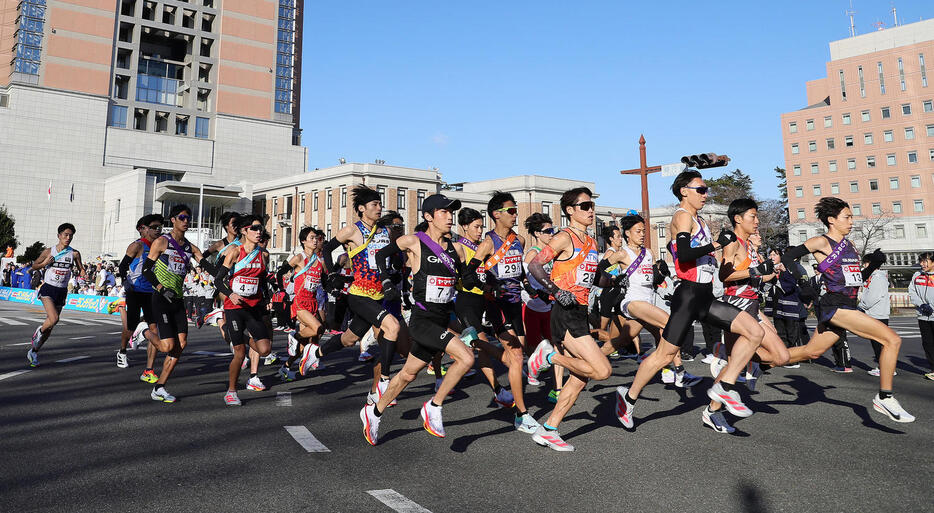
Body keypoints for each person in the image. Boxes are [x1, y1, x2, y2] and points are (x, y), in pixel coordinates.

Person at [614, 170, 765, 434]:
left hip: (705, 295)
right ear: (684, 191)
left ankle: (724, 386)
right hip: (689, 295)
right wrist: (716, 244)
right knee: (664, 355)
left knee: (755, 331)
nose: (706, 194)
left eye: (706, 189)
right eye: (701, 189)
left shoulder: (700, 220)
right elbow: (683, 254)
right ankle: (628, 398)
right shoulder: (682, 216)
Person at [781, 197, 914, 422]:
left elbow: (855, 280)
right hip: (835, 305)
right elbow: (788, 257)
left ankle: (758, 360)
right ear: (832, 220)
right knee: (892, 340)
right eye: (847, 217)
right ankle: (885, 396)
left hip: (847, 305)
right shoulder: (821, 242)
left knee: (810, 352)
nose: (852, 221)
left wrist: (873, 266)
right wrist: (804, 284)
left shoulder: (850, 245)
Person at [360, 194, 474, 444]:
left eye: (451, 212)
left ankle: (374, 412)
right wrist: (386, 280)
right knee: (466, 357)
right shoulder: (414, 241)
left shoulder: (456, 250)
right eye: (443, 212)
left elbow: (467, 283)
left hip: (442, 318)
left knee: (407, 375)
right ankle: (434, 406)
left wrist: (484, 280)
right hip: (422, 320)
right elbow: (381, 255)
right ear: (428, 216)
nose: (449, 216)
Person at [523, 187, 611, 451]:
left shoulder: (591, 242)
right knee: (602, 371)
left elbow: (594, 277)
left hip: (581, 311)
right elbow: (535, 265)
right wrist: (556, 291)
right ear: (570, 211)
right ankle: (548, 357)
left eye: (592, 205)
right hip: (565, 311)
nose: (591, 210)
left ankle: (549, 429)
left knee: (580, 378)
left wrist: (614, 280)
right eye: (584, 206)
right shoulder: (564, 237)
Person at [594, 214, 702, 390]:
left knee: (624, 340)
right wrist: (615, 278)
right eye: (638, 231)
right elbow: (601, 269)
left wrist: (665, 278)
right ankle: (680, 373)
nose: (642, 234)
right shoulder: (622, 253)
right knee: (669, 324)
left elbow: (654, 279)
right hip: (632, 302)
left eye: (643, 231)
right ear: (627, 233)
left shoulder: (649, 253)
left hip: (648, 301)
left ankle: (589, 363)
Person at [462, 191, 538, 433]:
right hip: (497, 306)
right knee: (515, 357)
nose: (515, 214)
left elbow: (520, 272)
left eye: (516, 210)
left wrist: (532, 290)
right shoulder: (488, 243)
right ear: (496, 215)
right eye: (511, 210)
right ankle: (521, 413)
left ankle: (476, 342)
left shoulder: (520, 240)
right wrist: (488, 288)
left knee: (520, 354)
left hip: (516, 305)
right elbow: (468, 275)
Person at [320, 186, 402, 403]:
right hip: (358, 294)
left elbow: (390, 259)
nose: (379, 208)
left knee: (349, 339)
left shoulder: (385, 231)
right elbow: (327, 249)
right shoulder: (352, 231)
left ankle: (316, 353)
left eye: (380, 204)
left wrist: (393, 269)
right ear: (361, 208)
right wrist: (331, 274)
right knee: (389, 330)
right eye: (374, 205)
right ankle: (383, 383)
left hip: (378, 295)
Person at [715, 199, 790, 399]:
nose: (757, 221)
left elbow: (756, 276)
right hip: (736, 305)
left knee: (780, 356)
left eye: (757, 216)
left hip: (753, 305)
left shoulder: (749, 245)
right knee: (736, 362)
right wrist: (756, 269)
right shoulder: (732, 243)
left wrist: (772, 272)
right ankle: (713, 409)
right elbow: (725, 276)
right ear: (738, 219)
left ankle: (739, 360)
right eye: (753, 216)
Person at [141, 204, 210, 403]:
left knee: (180, 346)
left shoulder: (190, 247)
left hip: (178, 300)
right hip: (162, 298)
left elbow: (207, 266)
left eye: (188, 218)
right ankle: (143, 331)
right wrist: (162, 288)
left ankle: (159, 387)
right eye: (182, 217)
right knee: (166, 346)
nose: (186, 221)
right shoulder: (162, 242)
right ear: (173, 220)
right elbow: (147, 270)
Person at [452, 208, 516, 408]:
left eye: (482, 226)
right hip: (466, 301)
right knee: (481, 343)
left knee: (485, 346)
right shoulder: (459, 247)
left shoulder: (483, 246)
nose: (480, 231)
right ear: (464, 227)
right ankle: (498, 388)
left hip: (484, 301)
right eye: (476, 227)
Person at [213, 215, 273, 406]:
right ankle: (231, 392)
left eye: (260, 229)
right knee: (239, 353)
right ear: (244, 231)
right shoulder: (235, 252)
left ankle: (242, 338)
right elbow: (218, 280)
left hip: (253, 306)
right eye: (254, 229)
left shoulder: (264, 255)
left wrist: (268, 298)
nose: (258, 232)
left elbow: (262, 280)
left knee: (265, 349)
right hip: (234, 307)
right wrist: (230, 294)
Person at [26, 223, 89, 367]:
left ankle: (34, 351)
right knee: (54, 318)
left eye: (71, 235)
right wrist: (45, 263)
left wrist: (83, 273)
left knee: (50, 327)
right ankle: (38, 331)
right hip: (48, 288)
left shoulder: (74, 253)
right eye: (65, 235)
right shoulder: (49, 251)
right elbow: (34, 265)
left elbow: (81, 269)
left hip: (61, 290)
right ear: (59, 236)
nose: (68, 238)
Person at [115, 214, 163, 378]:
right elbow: (122, 266)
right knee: (131, 325)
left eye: (160, 227)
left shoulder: (160, 245)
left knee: (154, 327)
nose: (158, 230)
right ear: (144, 229)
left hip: (152, 292)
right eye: (154, 227)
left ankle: (149, 369)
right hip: (135, 290)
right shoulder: (137, 246)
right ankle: (122, 351)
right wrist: (125, 282)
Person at [523, 213, 563, 403]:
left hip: (550, 307)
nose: (551, 234)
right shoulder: (532, 253)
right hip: (532, 306)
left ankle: (558, 387)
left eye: (552, 230)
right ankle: (532, 371)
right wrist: (538, 294)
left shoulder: (552, 252)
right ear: (538, 234)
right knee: (533, 344)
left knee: (556, 344)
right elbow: (525, 281)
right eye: (548, 231)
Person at [277, 226, 325, 380]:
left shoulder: (319, 261)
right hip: (300, 302)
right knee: (318, 328)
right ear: (304, 241)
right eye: (311, 238)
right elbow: (280, 272)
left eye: (316, 238)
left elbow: (324, 281)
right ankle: (294, 335)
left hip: (312, 302)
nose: (315, 240)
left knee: (303, 345)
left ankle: (285, 367)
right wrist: (282, 290)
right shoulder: (299, 257)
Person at [908, 252, 934, 380]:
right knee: (927, 343)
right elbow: (911, 292)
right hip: (923, 315)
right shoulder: (917, 275)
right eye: (921, 261)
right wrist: (921, 304)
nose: (922, 264)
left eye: (926, 261)